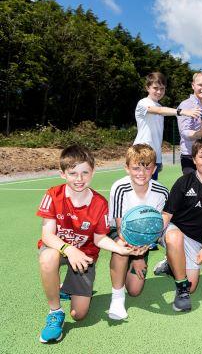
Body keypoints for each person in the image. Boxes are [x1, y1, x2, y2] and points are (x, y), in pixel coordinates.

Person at [36, 145, 142, 343]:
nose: (79, 178)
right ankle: (55, 312)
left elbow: (99, 239)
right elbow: (48, 235)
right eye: (73, 173)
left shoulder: (100, 203)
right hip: (59, 249)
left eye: (85, 172)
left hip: (85, 255)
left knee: (79, 314)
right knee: (47, 256)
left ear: (92, 172)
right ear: (62, 174)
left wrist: (120, 248)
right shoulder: (52, 195)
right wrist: (69, 249)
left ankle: (66, 288)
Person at [156, 137, 202, 311]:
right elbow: (167, 214)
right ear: (194, 160)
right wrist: (153, 236)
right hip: (173, 230)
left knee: (193, 286)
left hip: (195, 238)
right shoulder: (184, 182)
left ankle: (171, 264)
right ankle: (181, 288)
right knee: (175, 237)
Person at [107, 144, 169, 321]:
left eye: (147, 167)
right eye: (135, 168)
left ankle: (126, 267)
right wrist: (137, 257)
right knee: (120, 248)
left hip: (145, 239)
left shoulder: (162, 192)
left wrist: (143, 251)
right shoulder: (119, 188)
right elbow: (120, 229)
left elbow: (157, 228)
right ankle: (117, 299)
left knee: (134, 290)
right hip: (121, 234)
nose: (141, 173)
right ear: (127, 168)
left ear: (154, 169)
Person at [133, 72, 201, 180]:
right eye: (155, 88)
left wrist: (158, 157)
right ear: (147, 87)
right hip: (141, 153)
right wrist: (183, 111)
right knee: (141, 190)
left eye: (162, 88)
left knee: (151, 190)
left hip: (155, 156)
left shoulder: (159, 106)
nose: (159, 91)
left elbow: (161, 110)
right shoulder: (143, 103)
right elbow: (159, 111)